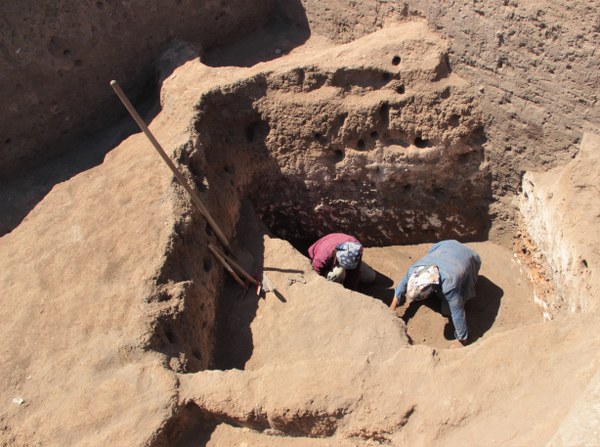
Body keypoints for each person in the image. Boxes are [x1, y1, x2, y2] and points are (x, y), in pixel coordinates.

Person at [390, 240, 481, 346]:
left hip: (469, 258)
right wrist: (392, 308)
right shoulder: (413, 271)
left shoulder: (449, 284)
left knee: (447, 311)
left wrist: (463, 339)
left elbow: (457, 313)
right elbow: (402, 285)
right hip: (447, 245)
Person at [308, 233, 376, 290]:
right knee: (338, 274)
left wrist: (352, 290)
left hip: (343, 257)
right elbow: (317, 273)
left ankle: (344, 273)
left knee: (370, 276)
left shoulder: (356, 248)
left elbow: (355, 272)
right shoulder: (322, 257)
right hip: (325, 262)